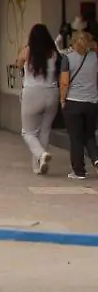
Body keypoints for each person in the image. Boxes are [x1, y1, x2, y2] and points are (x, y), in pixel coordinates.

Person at [14, 24, 63, 174]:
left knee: (27, 132)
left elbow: (18, 64)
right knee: (45, 130)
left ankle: (41, 155)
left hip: (32, 93)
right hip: (52, 93)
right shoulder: (54, 52)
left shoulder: (28, 51)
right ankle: (38, 164)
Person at [60, 30, 98, 180]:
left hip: (74, 102)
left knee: (75, 137)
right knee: (89, 135)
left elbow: (64, 82)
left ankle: (78, 170)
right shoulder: (94, 57)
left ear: (72, 42)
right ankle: (96, 159)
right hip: (92, 103)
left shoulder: (67, 58)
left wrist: (62, 99)